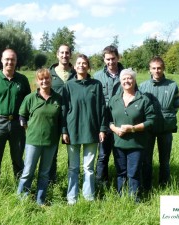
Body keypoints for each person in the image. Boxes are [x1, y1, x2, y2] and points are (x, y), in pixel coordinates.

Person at [0, 49, 31, 195]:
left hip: (17, 124)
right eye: (7, 59)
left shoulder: (22, 80)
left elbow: (28, 102)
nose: (10, 62)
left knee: (18, 159)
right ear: (2, 60)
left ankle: (22, 191)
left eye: (13, 59)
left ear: (16, 61)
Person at [62, 54, 107, 205]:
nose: (81, 65)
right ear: (74, 66)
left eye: (84, 63)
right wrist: (64, 130)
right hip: (72, 131)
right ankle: (72, 198)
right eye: (79, 63)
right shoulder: (68, 85)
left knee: (88, 168)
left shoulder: (96, 84)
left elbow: (102, 107)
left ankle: (89, 197)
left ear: (88, 66)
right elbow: (64, 109)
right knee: (73, 167)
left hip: (91, 130)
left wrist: (102, 128)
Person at [108, 68, 155, 201]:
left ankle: (135, 199)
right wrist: (114, 129)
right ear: (120, 81)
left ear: (134, 80)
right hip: (118, 143)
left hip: (137, 143)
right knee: (121, 172)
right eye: (124, 79)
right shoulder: (114, 100)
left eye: (130, 78)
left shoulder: (143, 99)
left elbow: (151, 121)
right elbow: (108, 119)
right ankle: (121, 197)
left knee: (133, 173)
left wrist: (133, 128)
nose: (127, 81)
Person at [17, 68, 62, 205]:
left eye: (47, 78)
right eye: (41, 79)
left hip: (51, 142)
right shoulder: (30, 98)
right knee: (28, 172)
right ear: (37, 81)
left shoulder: (58, 99)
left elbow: (62, 119)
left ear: (51, 80)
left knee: (44, 173)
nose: (44, 81)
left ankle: (40, 201)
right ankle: (22, 199)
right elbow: (22, 116)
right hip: (33, 141)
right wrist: (28, 128)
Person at [139, 56, 179, 191]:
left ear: (163, 69)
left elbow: (176, 105)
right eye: (154, 68)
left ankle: (164, 186)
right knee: (146, 160)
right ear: (149, 69)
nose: (157, 71)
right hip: (148, 129)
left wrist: (167, 118)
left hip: (165, 129)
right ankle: (146, 186)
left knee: (165, 161)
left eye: (159, 68)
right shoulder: (143, 86)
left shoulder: (172, 85)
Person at [93, 45, 125, 185]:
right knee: (103, 154)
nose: (110, 62)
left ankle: (122, 183)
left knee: (121, 154)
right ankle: (101, 183)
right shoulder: (98, 76)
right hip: (104, 122)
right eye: (108, 59)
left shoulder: (126, 74)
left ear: (118, 57)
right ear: (104, 59)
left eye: (113, 58)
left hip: (121, 120)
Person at [48, 44, 76, 183]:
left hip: (72, 117)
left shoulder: (77, 73)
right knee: (51, 152)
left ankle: (72, 181)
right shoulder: (49, 73)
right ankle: (50, 181)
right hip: (52, 117)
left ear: (71, 55)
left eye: (67, 53)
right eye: (62, 53)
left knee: (73, 151)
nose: (64, 55)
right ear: (57, 54)